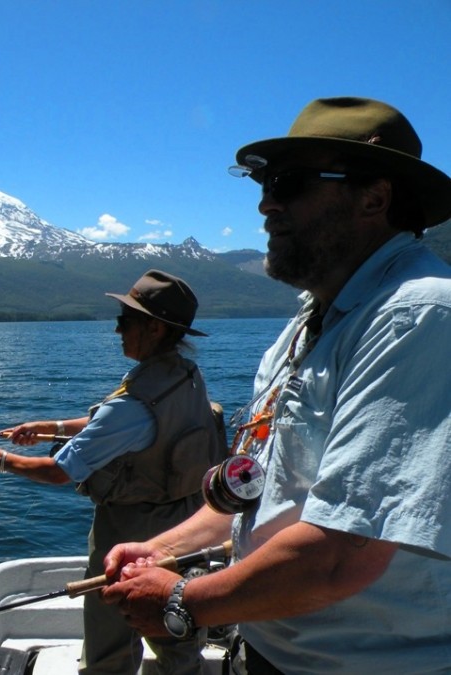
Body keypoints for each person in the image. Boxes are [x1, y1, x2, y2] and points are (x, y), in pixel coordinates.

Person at [99, 97, 451, 674]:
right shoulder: (308, 324)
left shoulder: (417, 316)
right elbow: (263, 491)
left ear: (374, 197)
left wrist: (185, 603)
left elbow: (342, 554)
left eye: (291, 183)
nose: (266, 203)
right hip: (269, 650)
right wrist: (162, 549)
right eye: (264, 183)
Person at [0, 269, 228, 675]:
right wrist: (48, 427)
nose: (116, 329)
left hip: (131, 530)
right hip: (188, 523)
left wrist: (3, 462)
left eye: (126, 320)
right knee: (174, 631)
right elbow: (113, 425)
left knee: (111, 630)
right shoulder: (184, 375)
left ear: (155, 328)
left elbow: (59, 471)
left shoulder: (133, 402)